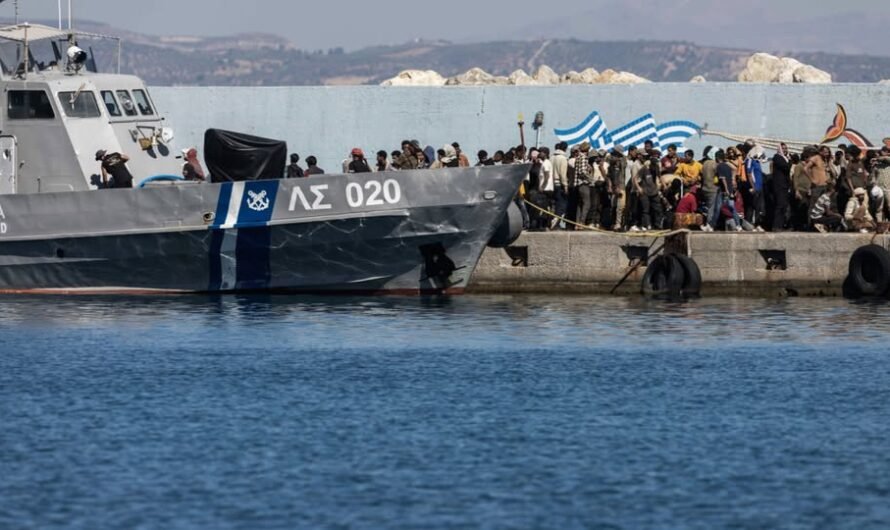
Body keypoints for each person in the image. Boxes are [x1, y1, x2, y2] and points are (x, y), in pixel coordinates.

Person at [771, 143, 792, 231]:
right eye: (783, 148)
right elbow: (786, 167)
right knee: (780, 205)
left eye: (786, 148)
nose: (785, 150)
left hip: (784, 185)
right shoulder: (777, 157)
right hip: (779, 185)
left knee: (784, 206)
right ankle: (776, 226)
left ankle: (780, 225)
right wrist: (790, 161)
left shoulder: (785, 158)